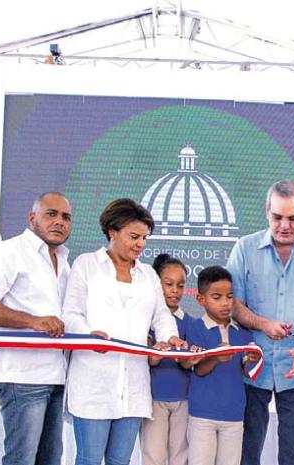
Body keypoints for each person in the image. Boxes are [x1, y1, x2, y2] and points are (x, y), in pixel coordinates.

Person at [62, 198, 188, 465]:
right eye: (134, 236)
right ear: (112, 231)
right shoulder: (86, 265)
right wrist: (88, 335)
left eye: (144, 238)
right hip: (93, 382)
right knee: (89, 459)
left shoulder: (148, 276)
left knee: (121, 461)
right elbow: (70, 314)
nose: (140, 244)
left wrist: (169, 337)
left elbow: (162, 316)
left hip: (133, 387)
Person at [225, 179, 294, 465]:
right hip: (250, 368)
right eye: (277, 217)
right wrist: (264, 324)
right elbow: (233, 306)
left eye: (292, 218)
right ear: (267, 212)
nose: (284, 225)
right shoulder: (244, 248)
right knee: (243, 455)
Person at [0, 192, 73, 465]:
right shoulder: (8, 252)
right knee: (20, 460)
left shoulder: (64, 261)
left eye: (66, 217)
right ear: (32, 218)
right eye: (51, 214)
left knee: (50, 460)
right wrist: (32, 321)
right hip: (20, 375)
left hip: (55, 375)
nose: (59, 222)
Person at [180, 266, 260, 465]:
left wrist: (251, 359)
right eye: (217, 297)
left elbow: (246, 370)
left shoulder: (242, 332)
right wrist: (216, 356)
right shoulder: (194, 328)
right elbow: (198, 370)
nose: (225, 303)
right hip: (202, 414)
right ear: (200, 299)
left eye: (230, 296)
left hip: (234, 414)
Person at [140, 254, 194, 465]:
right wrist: (155, 351)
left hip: (183, 399)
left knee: (180, 455)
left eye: (180, 285)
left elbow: (189, 364)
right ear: (156, 284)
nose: (175, 291)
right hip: (153, 398)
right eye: (168, 284)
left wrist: (186, 355)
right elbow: (148, 360)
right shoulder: (146, 322)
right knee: (153, 455)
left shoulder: (190, 322)